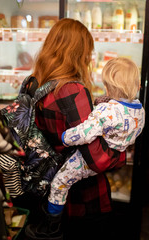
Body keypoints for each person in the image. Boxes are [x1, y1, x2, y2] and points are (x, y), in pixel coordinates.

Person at [25, 18, 126, 240]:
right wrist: (122, 152)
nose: (89, 58)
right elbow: (97, 159)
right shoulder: (71, 90)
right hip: (83, 199)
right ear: (77, 53)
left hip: (51, 191)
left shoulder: (34, 83)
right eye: (87, 52)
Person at [46, 57, 145, 217]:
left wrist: (65, 137)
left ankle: (52, 218)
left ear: (108, 86)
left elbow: (85, 134)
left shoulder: (107, 110)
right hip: (114, 155)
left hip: (87, 161)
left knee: (60, 181)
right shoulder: (140, 110)